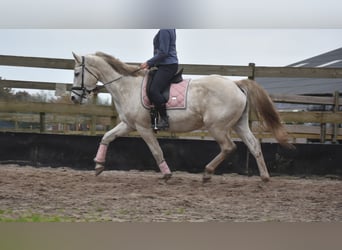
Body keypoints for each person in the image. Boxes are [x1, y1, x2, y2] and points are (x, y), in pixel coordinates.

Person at [140, 29, 179, 129]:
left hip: (167, 66)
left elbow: (163, 52)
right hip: (166, 65)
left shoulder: (165, 30)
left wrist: (149, 62)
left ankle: (164, 119)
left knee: (154, 91)